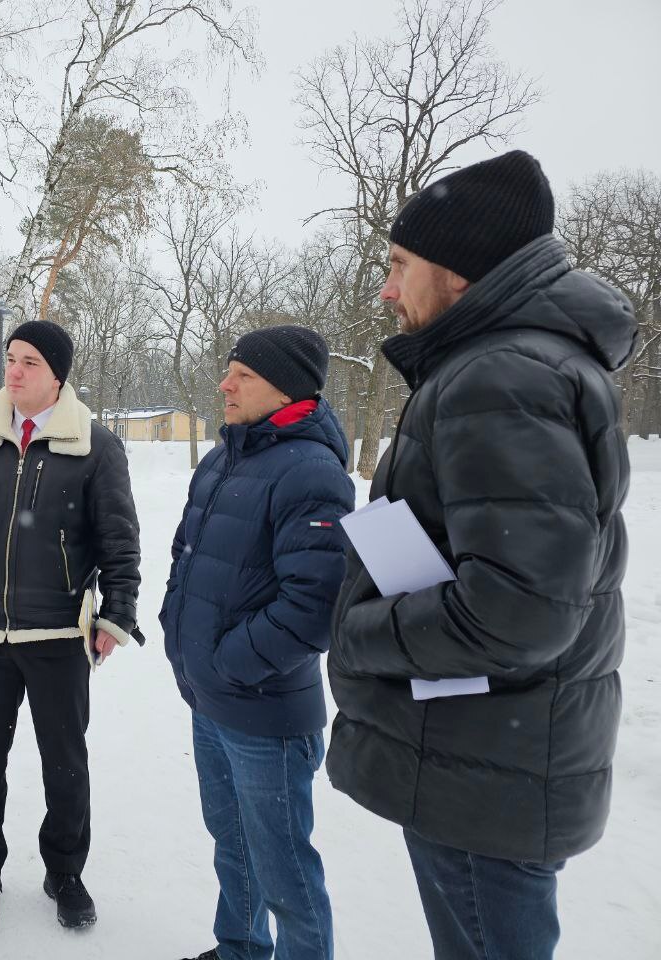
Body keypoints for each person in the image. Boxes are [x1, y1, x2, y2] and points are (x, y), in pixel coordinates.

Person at [327, 151, 637, 959]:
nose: (388, 290)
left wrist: (359, 634)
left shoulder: (501, 375)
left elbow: (519, 610)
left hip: (487, 771)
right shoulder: (519, 363)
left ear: (459, 273)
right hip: (493, 760)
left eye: (399, 267)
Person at [0, 319, 143, 930]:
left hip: (58, 639)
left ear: (57, 376)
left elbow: (120, 540)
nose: (13, 372)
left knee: (64, 762)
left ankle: (65, 871)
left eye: (29, 363)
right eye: (10, 360)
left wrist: (117, 613)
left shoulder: (94, 446)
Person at [161, 326, 353, 960]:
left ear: (285, 387)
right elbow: (185, 556)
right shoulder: (224, 458)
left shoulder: (312, 472)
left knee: (286, 870)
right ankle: (241, 948)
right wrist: (177, 634)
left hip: (266, 714)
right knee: (232, 844)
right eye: (228, 370)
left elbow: (312, 609)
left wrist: (229, 663)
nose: (225, 384)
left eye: (241, 374)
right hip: (213, 703)